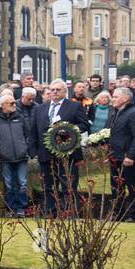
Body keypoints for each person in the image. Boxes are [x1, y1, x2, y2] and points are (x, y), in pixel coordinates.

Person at [28, 79, 91, 215]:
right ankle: (50, 212)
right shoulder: (40, 108)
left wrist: (67, 130)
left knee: (68, 186)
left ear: (65, 91)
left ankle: (68, 213)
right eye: (52, 90)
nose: (55, 92)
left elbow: (84, 125)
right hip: (45, 154)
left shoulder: (74, 106)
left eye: (58, 90)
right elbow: (33, 131)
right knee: (48, 186)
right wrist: (33, 151)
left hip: (67, 153)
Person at [0, 93, 30, 216]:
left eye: (14, 102)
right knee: (9, 184)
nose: (14, 105)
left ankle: (21, 209)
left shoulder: (20, 118)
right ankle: (11, 209)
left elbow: (28, 134)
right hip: (5, 157)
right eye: (11, 103)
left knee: (22, 183)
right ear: (2, 105)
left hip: (21, 156)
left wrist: (25, 147)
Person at [107, 87, 135, 222]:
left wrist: (130, 155)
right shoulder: (115, 113)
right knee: (116, 187)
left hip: (128, 157)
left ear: (126, 99)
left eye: (116, 97)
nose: (113, 99)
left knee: (131, 186)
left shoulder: (134, 113)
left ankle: (134, 215)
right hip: (115, 156)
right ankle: (117, 213)